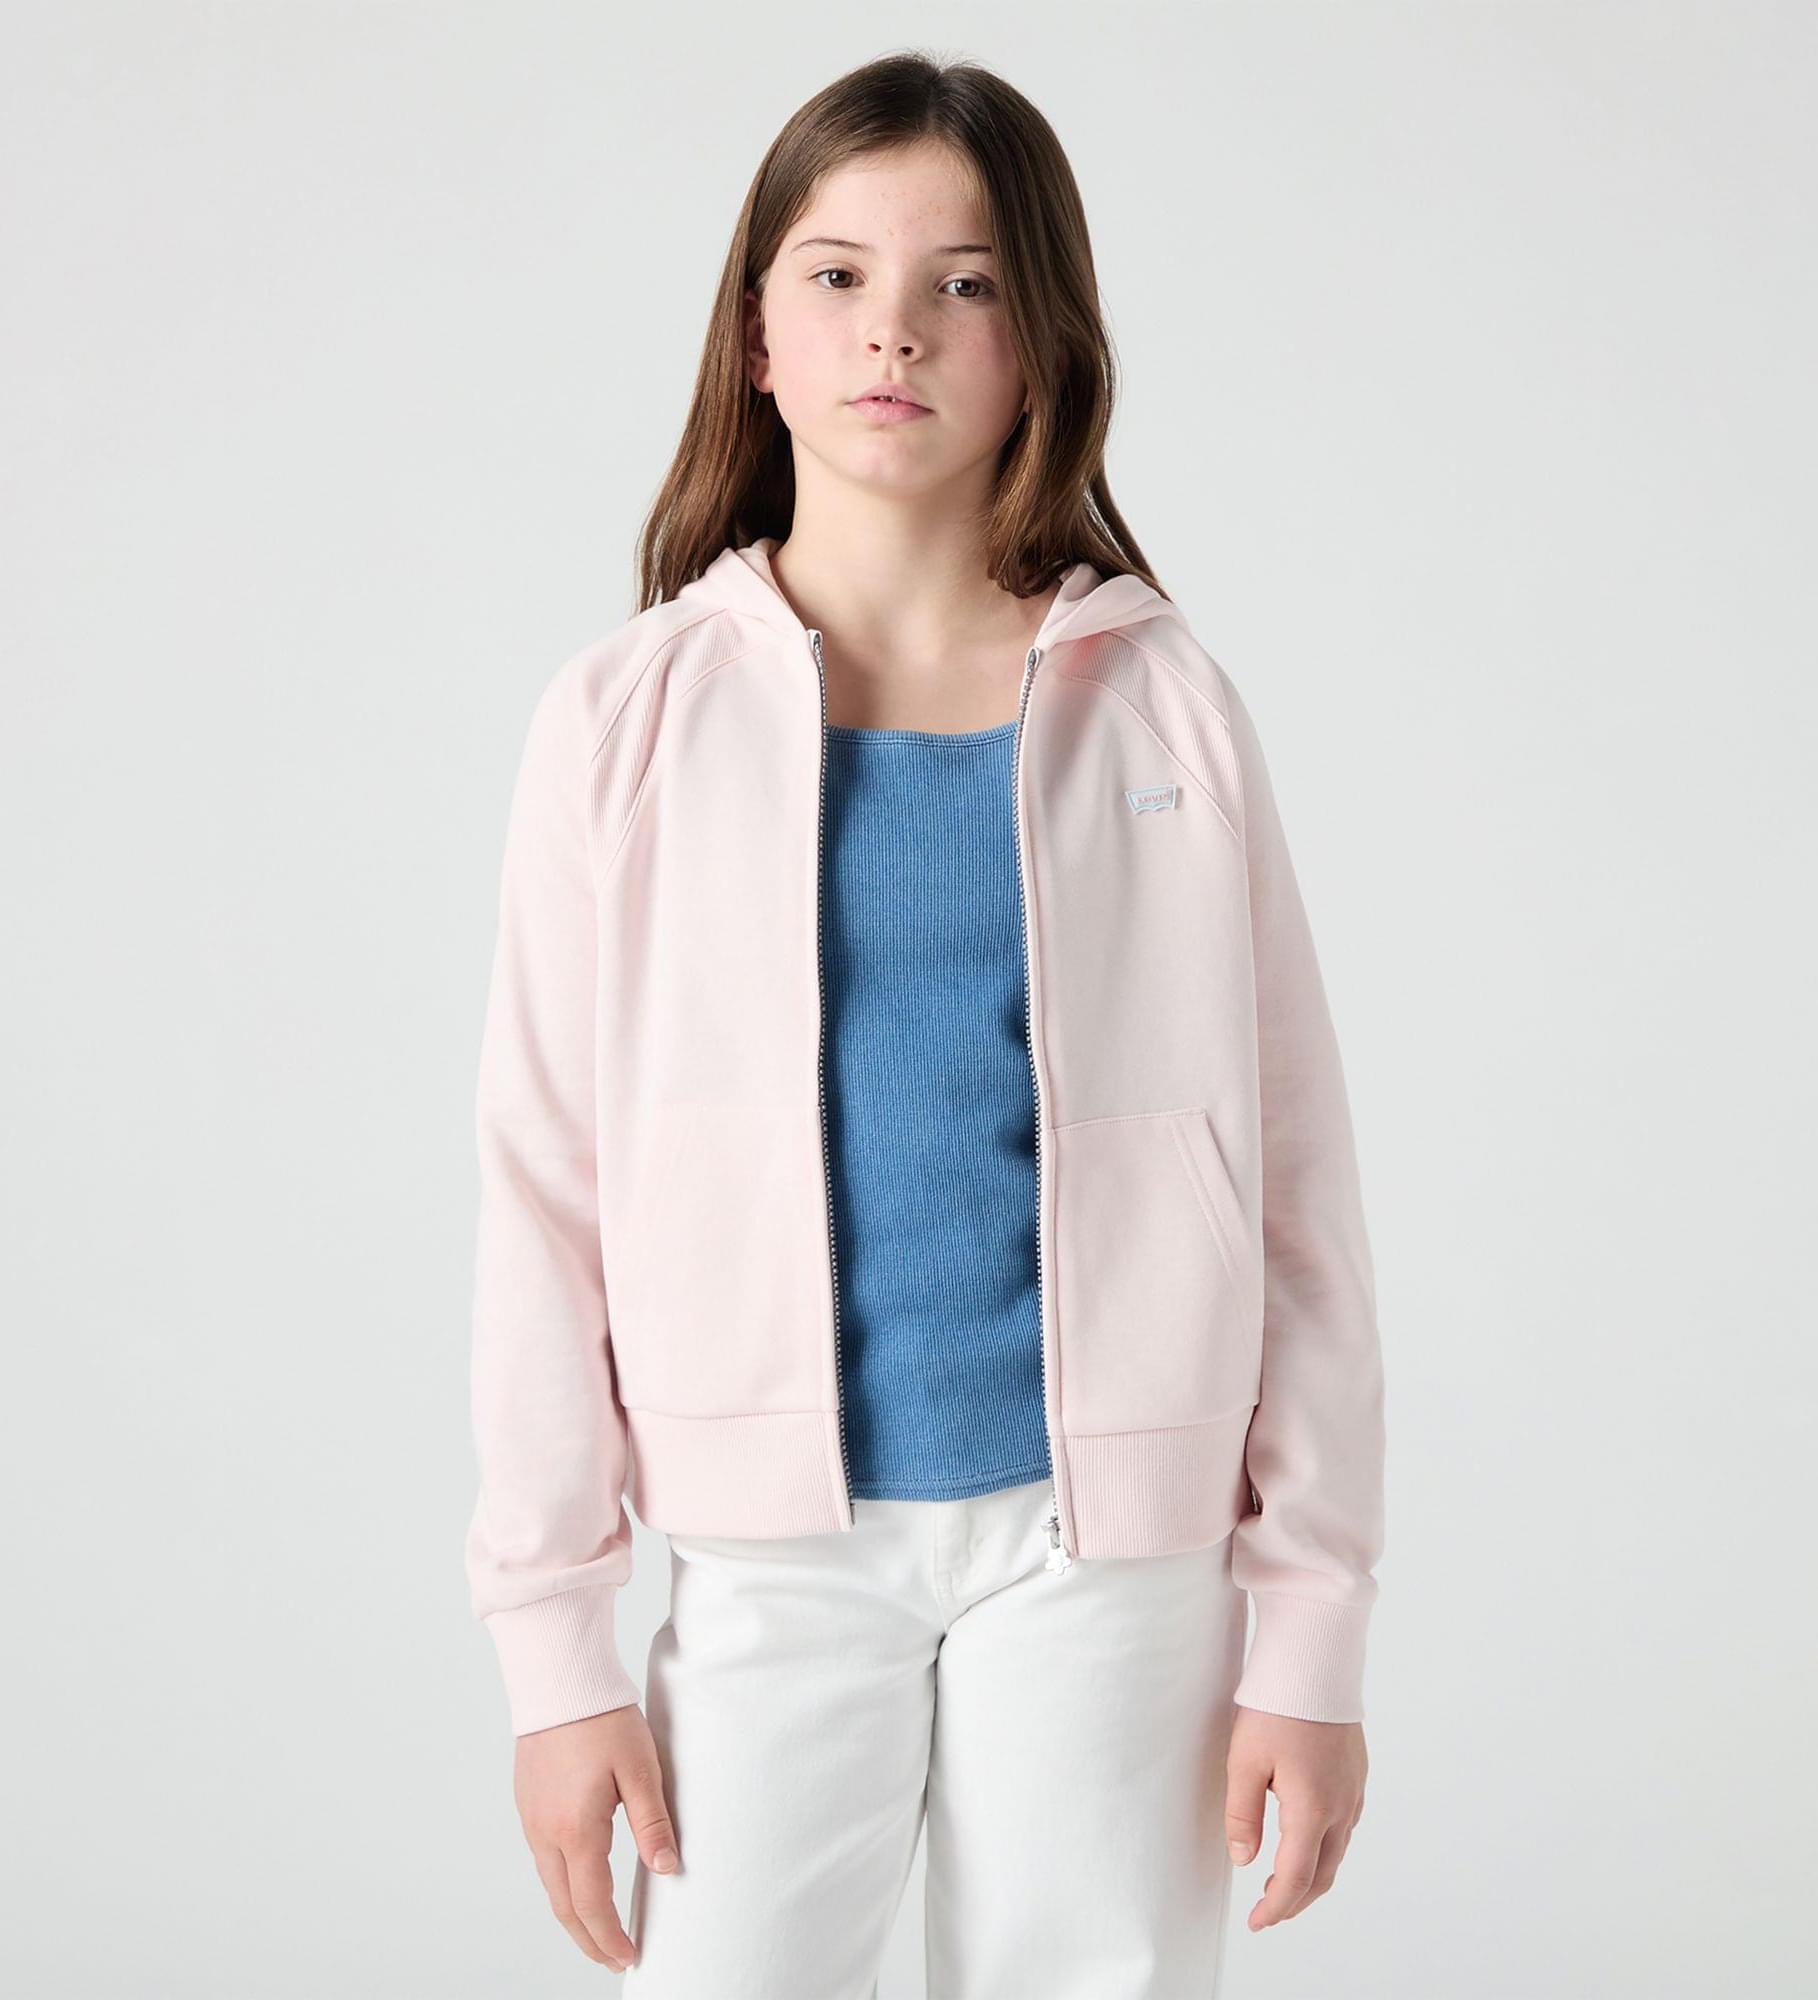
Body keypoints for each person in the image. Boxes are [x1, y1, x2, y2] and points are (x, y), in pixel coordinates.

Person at [465, 50, 1386, 1999]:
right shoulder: (622, 722)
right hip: (770, 1550)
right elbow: (544, 1190)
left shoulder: (1163, 705)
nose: (895, 330)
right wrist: (555, 1654)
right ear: (758, 335)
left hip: (1109, 1552)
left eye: (965, 283)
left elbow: (1294, 1179)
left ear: (1041, 347)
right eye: (838, 276)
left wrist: (1309, 1633)